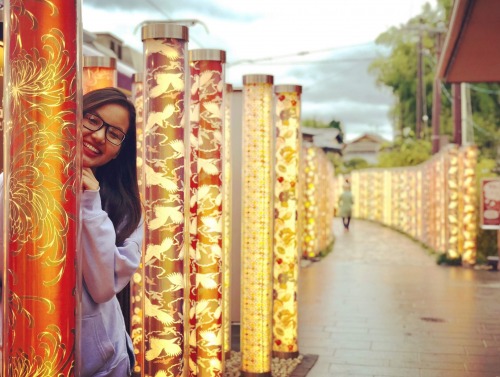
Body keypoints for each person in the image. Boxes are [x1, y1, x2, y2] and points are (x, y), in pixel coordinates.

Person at [0, 87, 143, 376]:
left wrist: (90, 203)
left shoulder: (128, 209)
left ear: (119, 152)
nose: (100, 136)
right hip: (26, 351)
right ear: (70, 119)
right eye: (92, 120)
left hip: (102, 364)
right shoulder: (16, 182)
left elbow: (103, 286)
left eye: (114, 134)